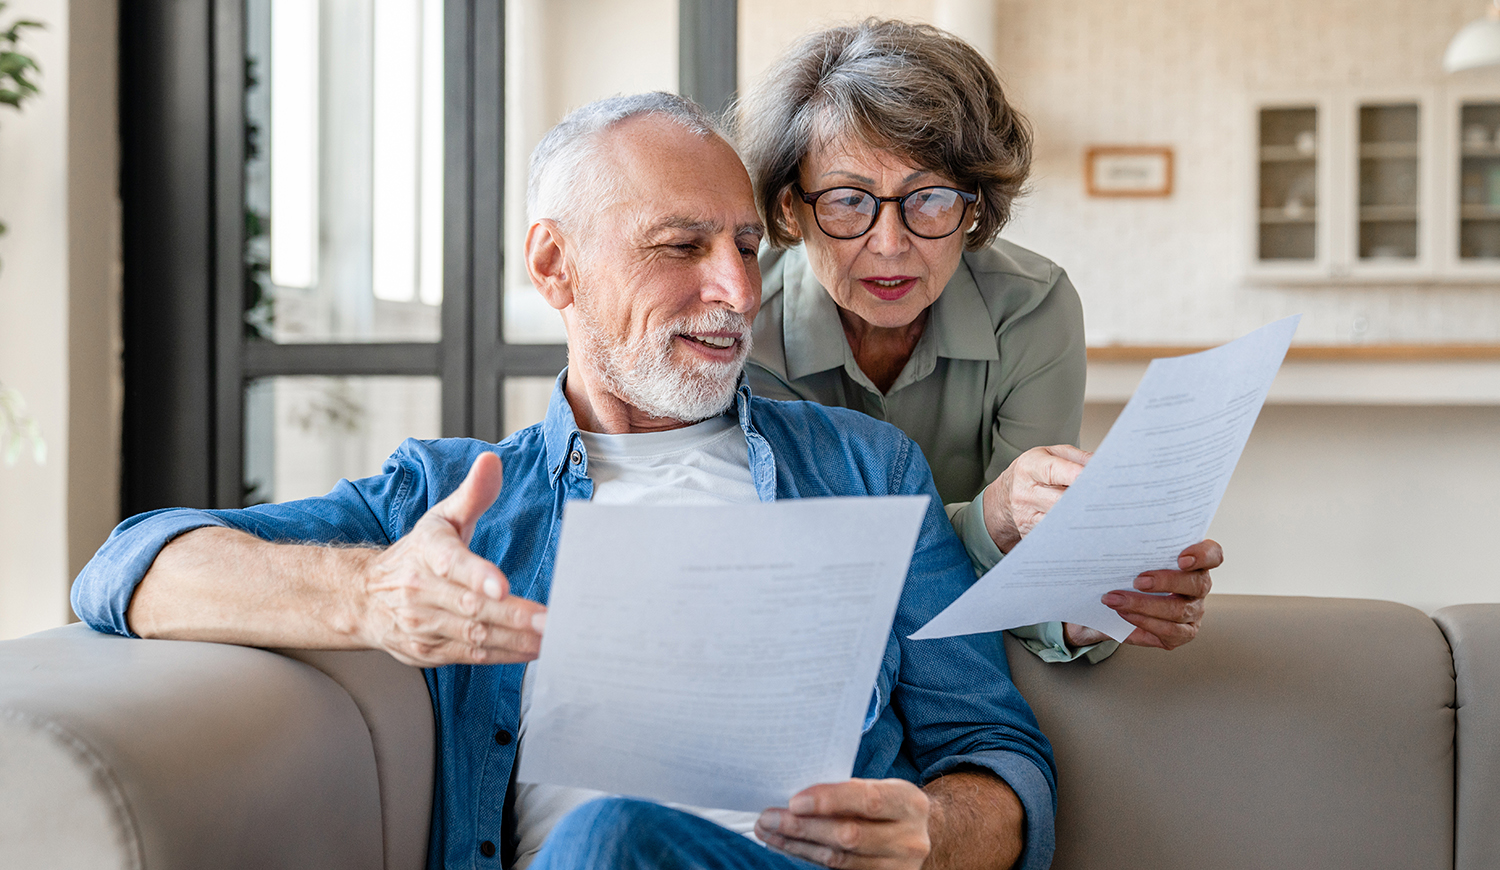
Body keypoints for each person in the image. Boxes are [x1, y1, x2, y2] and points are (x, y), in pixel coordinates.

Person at [73, 93, 1057, 870]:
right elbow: (128, 568)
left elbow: (1000, 759)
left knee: (615, 842)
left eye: (747, 246)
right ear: (556, 266)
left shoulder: (866, 468)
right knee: (605, 846)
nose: (738, 291)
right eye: (682, 246)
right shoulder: (461, 497)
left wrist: (932, 829)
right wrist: (369, 595)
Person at [735, 18, 1219, 663]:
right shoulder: (740, 324)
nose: (889, 244)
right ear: (791, 208)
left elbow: (1036, 568)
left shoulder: (1033, 306)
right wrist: (991, 521)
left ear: (976, 209)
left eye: (930, 199)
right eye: (849, 201)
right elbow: (811, 568)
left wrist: (1082, 611)